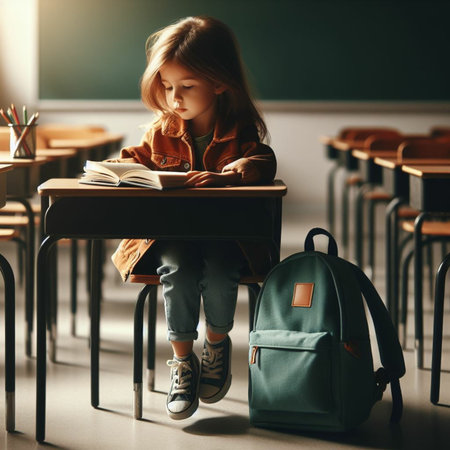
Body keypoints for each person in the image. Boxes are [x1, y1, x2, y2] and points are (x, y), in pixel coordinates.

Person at [111, 16, 277, 420]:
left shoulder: (240, 131)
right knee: (177, 269)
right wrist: (121, 170)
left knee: (222, 271)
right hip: (171, 237)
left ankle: (216, 345)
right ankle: (183, 362)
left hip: (226, 237)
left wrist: (236, 171)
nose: (174, 97)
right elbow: (136, 160)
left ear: (219, 83)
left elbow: (262, 160)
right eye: (167, 87)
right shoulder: (160, 131)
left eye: (186, 86)